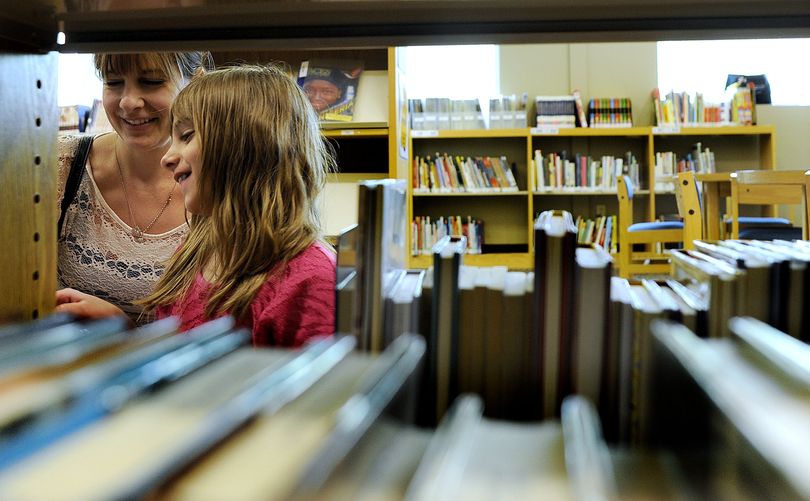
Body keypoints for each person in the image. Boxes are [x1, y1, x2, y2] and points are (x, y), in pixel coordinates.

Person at [58, 64, 338, 348]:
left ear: (244, 144)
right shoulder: (196, 252)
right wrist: (126, 332)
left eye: (187, 136)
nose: (167, 158)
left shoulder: (310, 279)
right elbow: (181, 360)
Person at [57, 52, 212, 325]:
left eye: (151, 81)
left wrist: (124, 331)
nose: (129, 102)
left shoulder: (222, 185)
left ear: (196, 83)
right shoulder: (62, 164)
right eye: (113, 82)